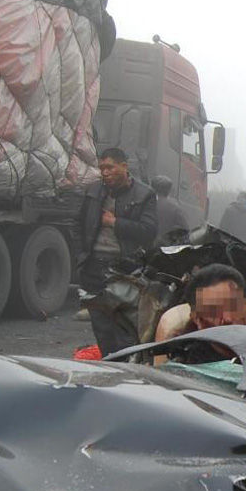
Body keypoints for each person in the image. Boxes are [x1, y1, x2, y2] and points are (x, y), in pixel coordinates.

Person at [77, 147, 158, 355]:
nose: (105, 172)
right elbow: (79, 225)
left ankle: (126, 372)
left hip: (124, 270)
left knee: (124, 329)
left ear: (124, 166)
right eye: (102, 168)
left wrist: (115, 223)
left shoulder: (144, 194)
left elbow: (149, 232)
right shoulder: (94, 192)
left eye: (110, 167)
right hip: (94, 268)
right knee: (101, 327)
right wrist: (82, 255)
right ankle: (109, 367)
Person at [154, 263, 246, 371]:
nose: (228, 319)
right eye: (214, 311)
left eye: (234, 306)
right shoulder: (187, 367)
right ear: (198, 320)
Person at [150, 175, 188, 245]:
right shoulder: (175, 208)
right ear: (168, 190)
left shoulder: (144, 203)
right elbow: (184, 230)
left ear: (152, 188)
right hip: (164, 248)